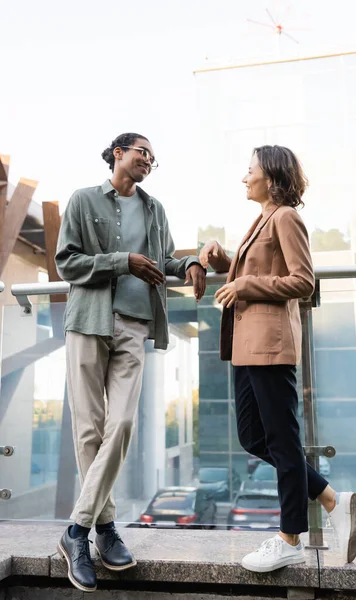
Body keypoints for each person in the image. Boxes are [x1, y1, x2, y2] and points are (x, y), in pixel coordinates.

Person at [55, 132, 206, 592]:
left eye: (154, 159)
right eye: (143, 153)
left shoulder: (155, 208)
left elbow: (162, 261)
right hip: (88, 321)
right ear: (118, 153)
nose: (148, 162)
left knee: (120, 425)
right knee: (89, 429)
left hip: (136, 325)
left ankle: (75, 531)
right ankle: (102, 529)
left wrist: (193, 263)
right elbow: (68, 263)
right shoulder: (82, 200)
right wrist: (123, 262)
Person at [199, 144, 356, 573]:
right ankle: (329, 498)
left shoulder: (286, 217)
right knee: (254, 438)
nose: (244, 177)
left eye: (249, 169)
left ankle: (290, 537)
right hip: (246, 346)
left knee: (283, 442)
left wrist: (246, 283)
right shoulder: (263, 219)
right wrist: (223, 261)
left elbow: (302, 280)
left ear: (270, 178)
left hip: (270, 346)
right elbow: (254, 269)